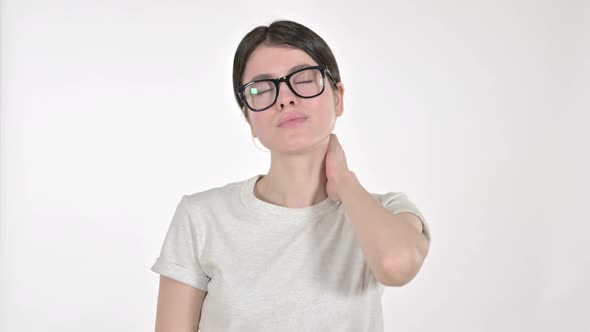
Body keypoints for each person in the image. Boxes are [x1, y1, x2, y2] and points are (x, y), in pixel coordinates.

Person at [151, 19, 431, 332]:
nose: (285, 98)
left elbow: (397, 265)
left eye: (304, 79)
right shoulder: (201, 217)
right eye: (262, 88)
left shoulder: (384, 211)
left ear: (337, 96)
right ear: (248, 116)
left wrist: (345, 182)